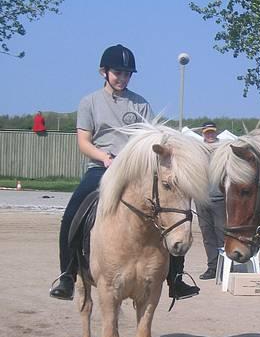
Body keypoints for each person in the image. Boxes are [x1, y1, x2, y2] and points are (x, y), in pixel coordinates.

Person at [49, 44, 199, 302]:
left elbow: (154, 136)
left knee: (173, 210)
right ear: (103, 72)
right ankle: (67, 274)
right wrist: (105, 157)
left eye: (127, 73)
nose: (122, 78)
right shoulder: (90, 102)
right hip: (102, 168)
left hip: (137, 171)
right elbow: (84, 142)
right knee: (72, 212)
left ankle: (176, 277)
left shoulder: (140, 103)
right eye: (117, 72)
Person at [196, 122, 226, 280]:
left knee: (222, 233)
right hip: (201, 199)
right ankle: (213, 267)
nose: (210, 135)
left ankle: (226, 266)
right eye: (207, 133)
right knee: (207, 235)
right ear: (203, 133)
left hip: (219, 197)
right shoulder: (197, 150)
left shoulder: (223, 149)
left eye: (212, 132)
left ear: (216, 133)